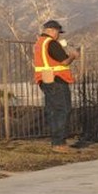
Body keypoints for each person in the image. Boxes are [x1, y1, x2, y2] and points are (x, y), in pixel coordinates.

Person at [33, 19, 80, 152]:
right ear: (52, 31)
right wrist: (73, 55)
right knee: (63, 109)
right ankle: (60, 143)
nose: (59, 35)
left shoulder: (39, 43)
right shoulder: (51, 43)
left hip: (44, 79)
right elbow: (64, 62)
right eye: (58, 32)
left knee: (53, 110)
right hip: (56, 79)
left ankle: (56, 142)